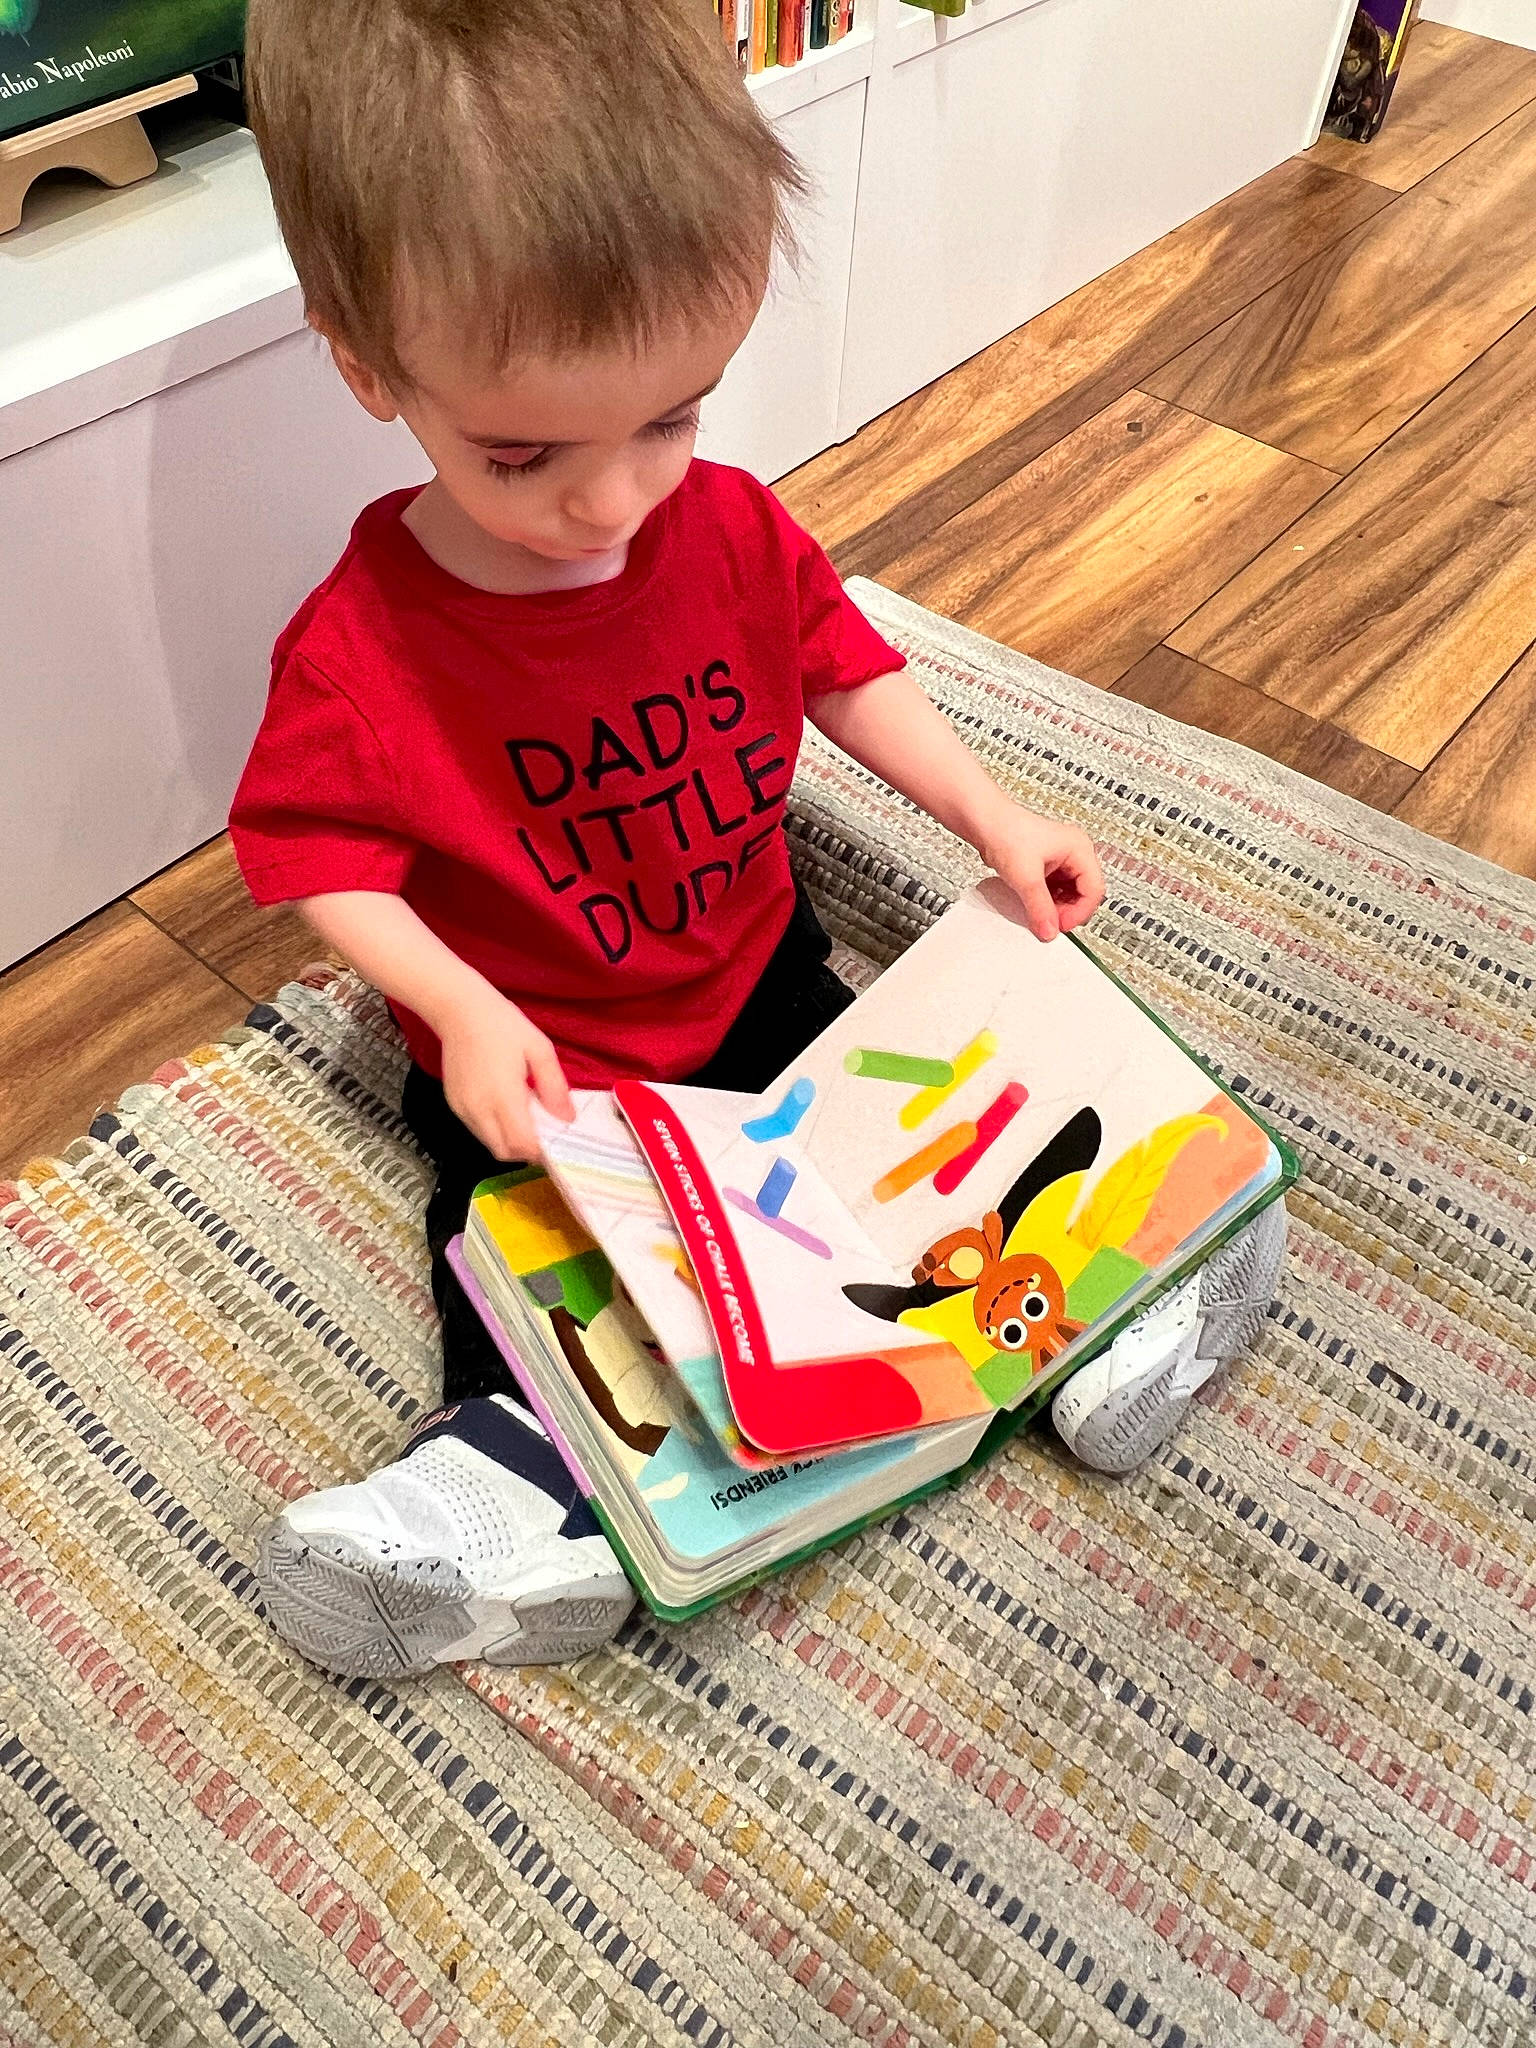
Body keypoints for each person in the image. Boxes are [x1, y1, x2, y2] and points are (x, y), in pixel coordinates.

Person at [230, 0, 1104, 1679]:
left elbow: (842, 670)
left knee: (932, 1185)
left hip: (766, 973)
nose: (616, 499)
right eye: (524, 453)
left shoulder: (724, 526)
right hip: (548, 1066)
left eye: (673, 415)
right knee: (529, 1286)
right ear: (365, 363)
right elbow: (317, 853)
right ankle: (511, 1502)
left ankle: (1099, 1334)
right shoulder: (367, 647)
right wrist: (464, 1010)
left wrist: (992, 811)